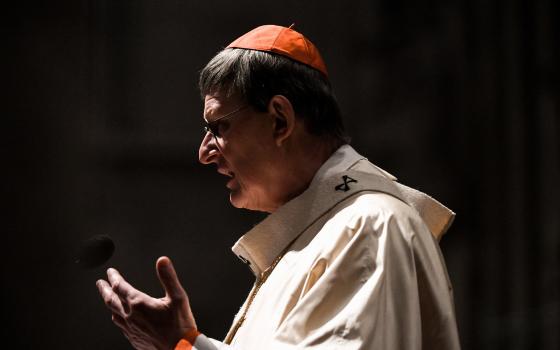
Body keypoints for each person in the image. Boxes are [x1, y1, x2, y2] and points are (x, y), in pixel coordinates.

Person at [96, 24, 461, 350]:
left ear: (280, 121)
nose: (204, 153)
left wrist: (183, 348)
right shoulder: (329, 233)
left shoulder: (370, 227)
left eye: (219, 127)